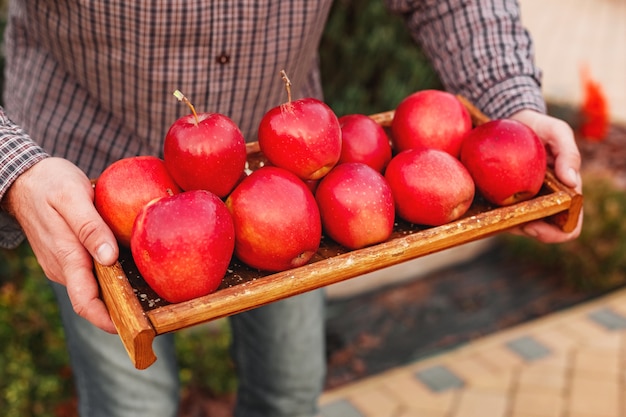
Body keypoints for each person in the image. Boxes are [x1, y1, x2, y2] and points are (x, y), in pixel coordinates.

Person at [0, 1, 582, 416]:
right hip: (86, 185)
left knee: (290, 391)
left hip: (288, 187)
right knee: (133, 405)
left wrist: (510, 101)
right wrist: (14, 169)